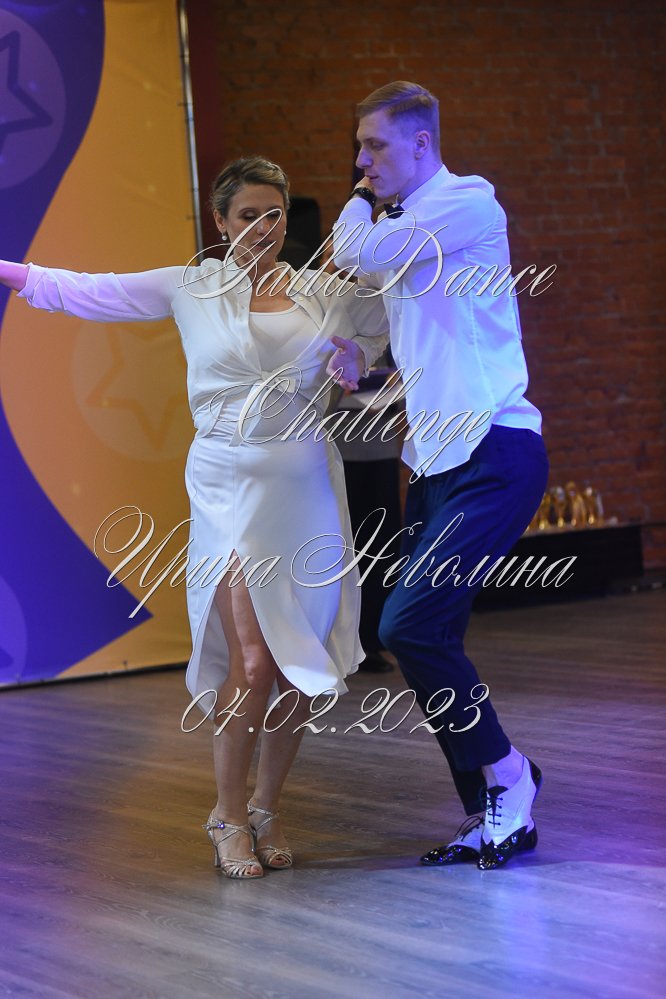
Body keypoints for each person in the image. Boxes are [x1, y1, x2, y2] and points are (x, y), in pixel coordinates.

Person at [1, 155, 388, 879]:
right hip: (229, 485)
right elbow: (90, 291)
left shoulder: (325, 292)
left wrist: (355, 356)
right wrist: (9, 272)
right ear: (219, 220)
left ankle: (267, 807)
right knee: (254, 659)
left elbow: (389, 328)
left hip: (305, 481)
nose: (263, 228)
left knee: (298, 663)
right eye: (247, 215)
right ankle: (226, 814)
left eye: (274, 214)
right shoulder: (191, 286)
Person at [332, 82, 549, 870]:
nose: (363, 161)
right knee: (431, 636)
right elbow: (413, 329)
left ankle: (510, 775)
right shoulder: (408, 229)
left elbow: (353, 254)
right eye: (359, 148)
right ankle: (488, 807)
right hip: (430, 462)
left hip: (495, 450)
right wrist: (365, 360)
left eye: (375, 146)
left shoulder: (467, 203)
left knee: (406, 626)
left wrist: (359, 200)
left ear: (421, 143)